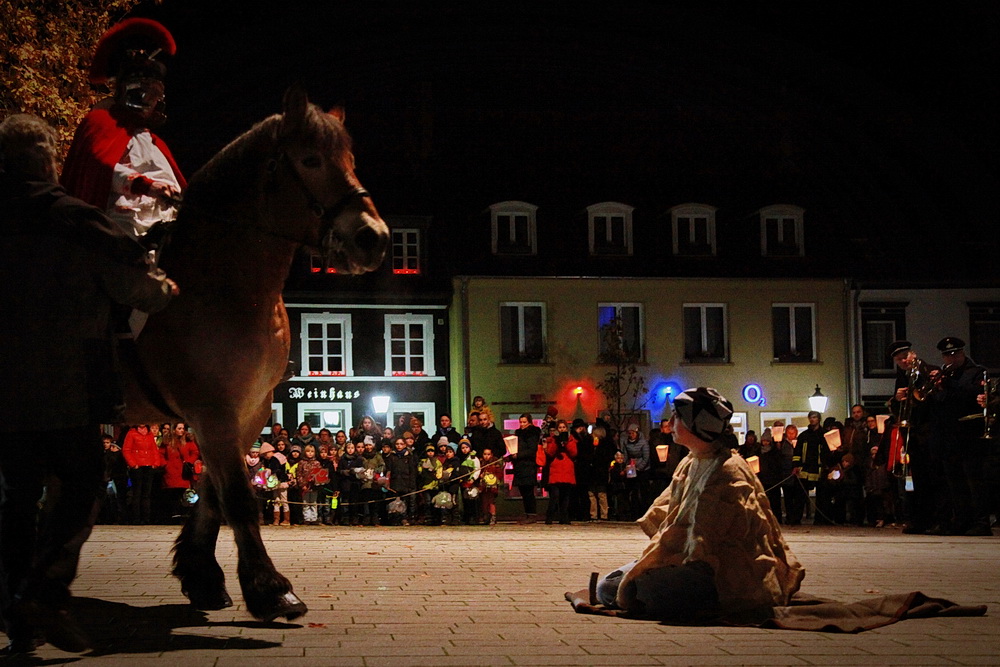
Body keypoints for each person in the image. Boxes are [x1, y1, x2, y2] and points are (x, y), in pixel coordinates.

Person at [0, 113, 176, 655]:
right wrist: (165, 288)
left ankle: (19, 617)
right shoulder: (77, 222)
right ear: (51, 160)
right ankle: (44, 591)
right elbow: (139, 289)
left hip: (4, 390)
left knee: (17, 497)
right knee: (80, 484)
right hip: (66, 381)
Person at [595, 388, 804, 620]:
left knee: (647, 590)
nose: (671, 422)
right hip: (685, 558)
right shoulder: (691, 461)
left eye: (677, 417)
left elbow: (717, 538)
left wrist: (674, 560)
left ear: (697, 425)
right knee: (609, 586)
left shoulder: (728, 468)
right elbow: (671, 517)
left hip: (719, 569)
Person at [62, 18, 184, 246]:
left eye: (158, 92)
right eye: (148, 90)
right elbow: (99, 167)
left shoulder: (153, 140)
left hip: (166, 226)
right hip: (123, 229)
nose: (154, 99)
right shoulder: (101, 120)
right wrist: (146, 186)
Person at [122, 423, 163, 525]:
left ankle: (146, 518)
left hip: (149, 466)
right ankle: (136, 518)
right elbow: (126, 450)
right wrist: (133, 464)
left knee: (147, 494)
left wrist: (156, 463)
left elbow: (154, 450)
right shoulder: (131, 433)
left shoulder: (149, 434)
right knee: (137, 493)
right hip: (137, 466)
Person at [543, 420, 577, 525]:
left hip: (567, 469)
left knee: (565, 496)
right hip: (556, 469)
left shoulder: (571, 439)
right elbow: (550, 452)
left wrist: (566, 443)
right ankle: (550, 516)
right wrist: (556, 441)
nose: (562, 429)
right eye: (560, 427)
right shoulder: (552, 439)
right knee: (555, 495)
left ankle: (564, 516)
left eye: (563, 427)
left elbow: (574, 453)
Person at [512, 413, 542, 524]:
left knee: (528, 492)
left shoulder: (532, 433)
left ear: (530, 422)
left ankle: (532, 514)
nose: (522, 424)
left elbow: (532, 450)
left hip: (528, 465)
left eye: (524, 422)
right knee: (523, 492)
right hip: (519, 466)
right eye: (520, 422)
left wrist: (518, 455)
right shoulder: (519, 433)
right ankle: (528, 513)